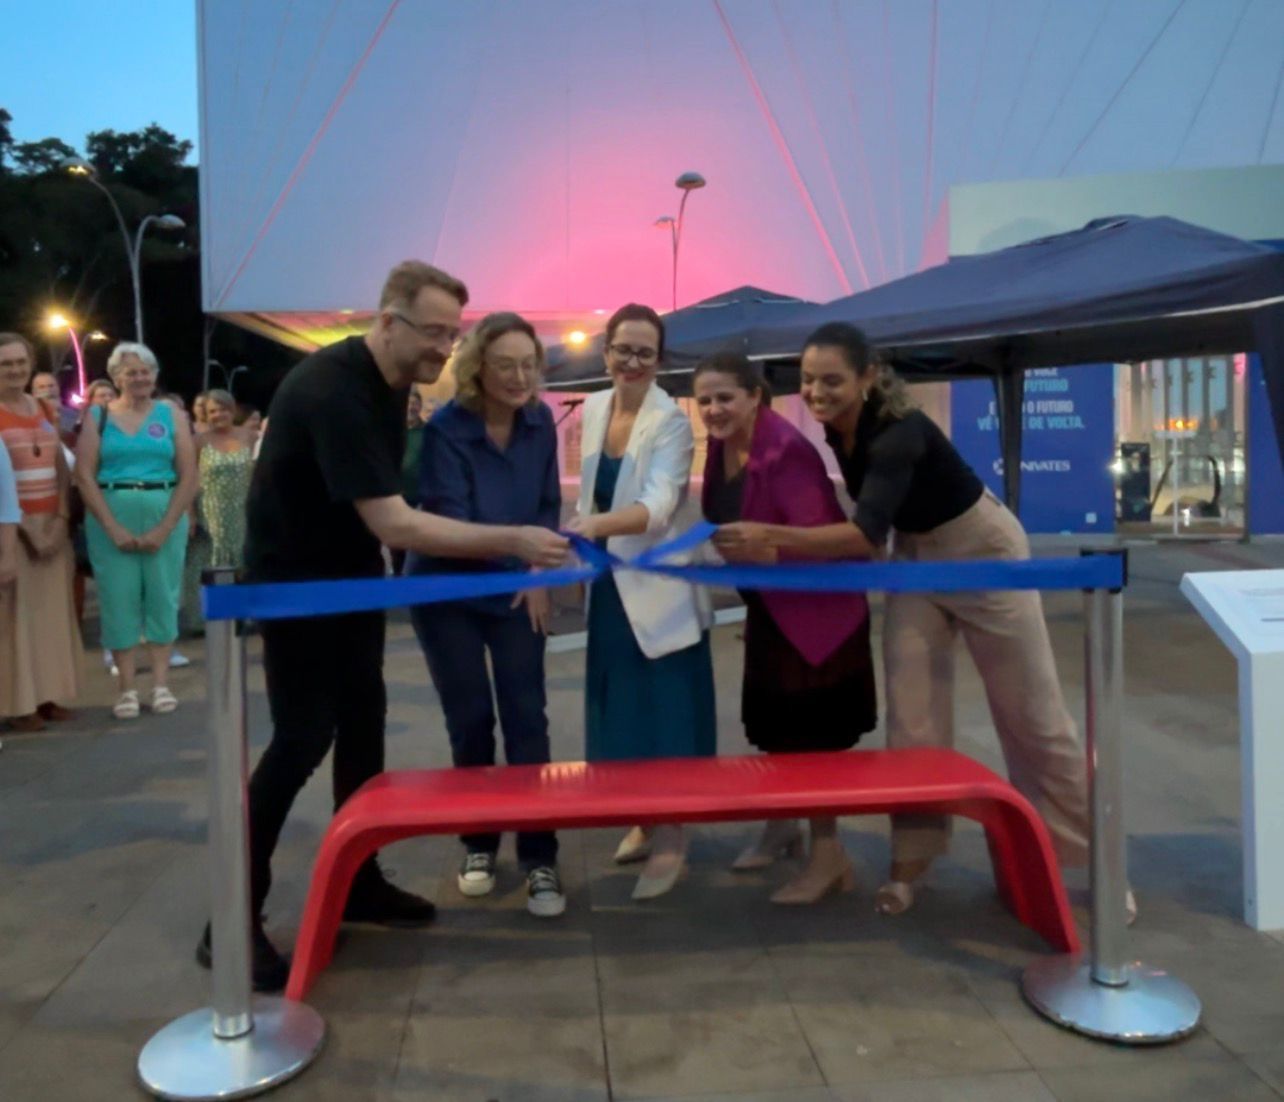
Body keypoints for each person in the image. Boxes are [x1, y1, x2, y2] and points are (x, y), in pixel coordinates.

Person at [207, 261, 568, 992]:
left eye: (451, 334)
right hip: (296, 588)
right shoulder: (333, 389)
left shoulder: (393, 380)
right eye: (433, 332)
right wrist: (519, 541)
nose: (442, 347)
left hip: (350, 579)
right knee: (301, 738)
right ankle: (230, 918)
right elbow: (397, 521)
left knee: (365, 725)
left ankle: (361, 879)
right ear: (386, 320)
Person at [715, 322, 1095, 918]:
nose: (817, 392)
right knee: (913, 717)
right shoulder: (836, 431)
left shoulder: (898, 432)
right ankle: (910, 868)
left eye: (833, 380)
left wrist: (768, 535)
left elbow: (865, 536)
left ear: (869, 376)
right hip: (916, 557)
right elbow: (884, 530)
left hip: (983, 554)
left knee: (1034, 717)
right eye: (810, 380)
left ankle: (1087, 866)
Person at [695, 353, 877, 903]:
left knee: (812, 740)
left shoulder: (787, 452)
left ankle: (829, 856)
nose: (714, 409)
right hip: (772, 612)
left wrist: (764, 549)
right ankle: (783, 828)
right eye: (704, 400)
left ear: (756, 395)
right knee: (775, 728)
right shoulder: (722, 448)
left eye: (725, 397)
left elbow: (834, 545)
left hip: (818, 622)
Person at [408, 312, 565, 917]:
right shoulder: (448, 428)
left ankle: (539, 855)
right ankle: (477, 841)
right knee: (471, 718)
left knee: (528, 716)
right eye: (505, 364)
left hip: (517, 587)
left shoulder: (540, 421)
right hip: (448, 591)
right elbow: (450, 519)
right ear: (478, 367)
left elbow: (548, 503)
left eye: (529, 364)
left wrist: (539, 572)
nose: (519, 376)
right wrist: (520, 549)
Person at [567, 303, 715, 901]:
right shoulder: (595, 407)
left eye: (644, 352)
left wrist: (586, 528)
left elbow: (657, 509)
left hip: (659, 588)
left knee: (669, 712)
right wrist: (585, 538)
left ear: (659, 360)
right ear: (605, 352)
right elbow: (588, 491)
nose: (631, 361)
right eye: (622, 349)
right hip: (608, 586)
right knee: (621, 709)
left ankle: (675, 835)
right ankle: (642, 816)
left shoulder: (672, 424)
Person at [76, 342, 196, 719]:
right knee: (118, 598)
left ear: (155, 375)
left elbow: (189, 474)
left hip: (163, 508)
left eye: (146, 370)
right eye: (131, 371)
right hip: (111, 512)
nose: (139, 377)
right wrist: (110, 527)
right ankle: (126, 688)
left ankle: (161, 684)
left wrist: (166, 526)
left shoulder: (171, 414)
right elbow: (83, 474)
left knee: (162, 594)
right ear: (116, 377)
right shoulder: (99, 417)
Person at [0, 334, 83, 731]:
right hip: (12, 528)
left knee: (51, 618)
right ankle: (19, 705)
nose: (15, 370)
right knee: (15, 621)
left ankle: (49, 695)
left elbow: (61, 469)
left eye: (20, 362)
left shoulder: (46, 409)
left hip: (52, 523)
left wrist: (62, 520)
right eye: (5, 364)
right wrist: (25, 532)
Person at [196, 389, 255, 568]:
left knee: (242, 564)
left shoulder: (250, 436)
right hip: (210, 514)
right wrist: (189, 515)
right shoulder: (198, 441)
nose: (218, 415)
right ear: (206, 415)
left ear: (232, 410)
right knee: (212, 565)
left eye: (223, 409)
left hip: (242, 512)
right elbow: (189, 478)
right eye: (212, 411)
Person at [389, 388, 426, 575]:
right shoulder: (392, 431)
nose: (412, 406)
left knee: (417, 546)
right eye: (409, 403)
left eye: (415, 403)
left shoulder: (427, 432)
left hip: (418, 498)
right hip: (395, 497)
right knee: (396, 546)